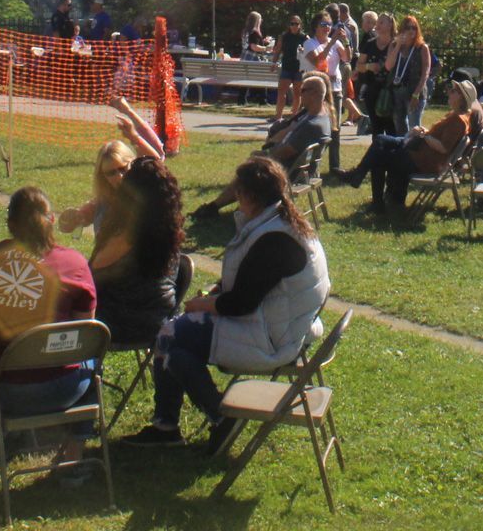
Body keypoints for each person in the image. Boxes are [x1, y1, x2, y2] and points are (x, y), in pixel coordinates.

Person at [123, 156, 330, 451]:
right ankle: (194, 418)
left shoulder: (273, 238)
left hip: (272, 338)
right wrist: (216, 293)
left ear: (249, 195)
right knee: (176, 345)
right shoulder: (281, 222)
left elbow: (240, 303)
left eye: (237, 191)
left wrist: (201, 305)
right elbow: (255, 283)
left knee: (168, 336)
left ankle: (204, 418)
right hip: (286, 326)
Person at [0, 187, 98, 469]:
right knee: (91, 354)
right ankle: (74, 454)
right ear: (51, 220)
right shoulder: (73, 264)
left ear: (10, 224)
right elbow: (84, 328)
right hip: (53, 389)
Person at [191, 73, 334, 220]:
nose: (299, 94)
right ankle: (222, 206)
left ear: (315, 93)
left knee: (250, 170)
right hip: (301, 170)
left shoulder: (311, 125)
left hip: (291, 173)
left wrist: (261, 156)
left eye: (303, 90)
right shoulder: (320, 116)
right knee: (254, 163)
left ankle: (214, 207)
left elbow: (283, 153)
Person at [339, 79, 480, 211]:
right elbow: (437, 138)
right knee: (381, 140)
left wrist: (424, 135)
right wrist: (424, 131)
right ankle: (382, 197)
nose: (449, 92)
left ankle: (372, 194)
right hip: (421, 154)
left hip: (424, 161)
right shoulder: (455, 115)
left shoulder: (459, 121)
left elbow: (444, 148)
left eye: (454, 91)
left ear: (461, 98)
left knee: (378, 156)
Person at [93, 155, 187, 347]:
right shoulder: (170, 232)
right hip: (161, 320)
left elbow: (89, 276)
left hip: (121, 323)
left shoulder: (126, 236)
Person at [383, 16, 433, 137]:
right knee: (399, 127)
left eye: (414, 28)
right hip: (398, 91)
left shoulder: (421, 48)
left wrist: (416, 94)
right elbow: (388, 66)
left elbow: (425, 73)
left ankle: (414, 153)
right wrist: (398, 45)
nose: (411, 31)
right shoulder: (394, 45)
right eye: (407, 28)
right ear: (401, 29)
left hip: (414, 92)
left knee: (413, 128)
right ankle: (402, 153)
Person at [300, 14, 347, 107]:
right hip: (317, 90)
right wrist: (330, 43)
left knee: (335, 120)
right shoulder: (309, 43)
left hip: (335, 88)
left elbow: (347, 58)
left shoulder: (336, 43)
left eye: (329, 24)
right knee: (318, 120)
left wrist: (347, 41)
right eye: (323, 24)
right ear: (315, 27)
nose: (327, 27)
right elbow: (318, 62)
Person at [274, 12, 307, 115]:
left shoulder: (304, 37)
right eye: (292, 24)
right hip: (287, 67)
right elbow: (278, 50)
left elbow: (311, 51)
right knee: (281, 92)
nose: (294, 26)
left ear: (300, 25)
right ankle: (278, 116)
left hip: (299, 68)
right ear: (289, 25)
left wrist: (304, 50)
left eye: (296, 24)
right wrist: (273, 62)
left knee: (297, 93)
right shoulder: (284, 36)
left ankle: (294, 115)